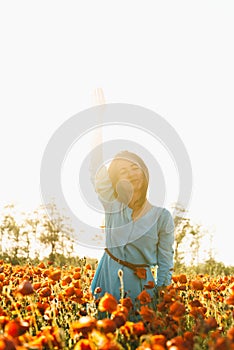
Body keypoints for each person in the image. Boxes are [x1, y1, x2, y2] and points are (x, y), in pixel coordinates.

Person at [89, 89, 174, 305]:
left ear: (145, 173)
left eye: (134, 168)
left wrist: (162, 295)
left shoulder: (162, 217)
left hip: (140, 286)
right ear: (117, 180)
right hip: (107, 279)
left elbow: (165, 260)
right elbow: (95, 167)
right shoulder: (112, 204)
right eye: (123, 171)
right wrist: (98, 121)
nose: (129, 174)